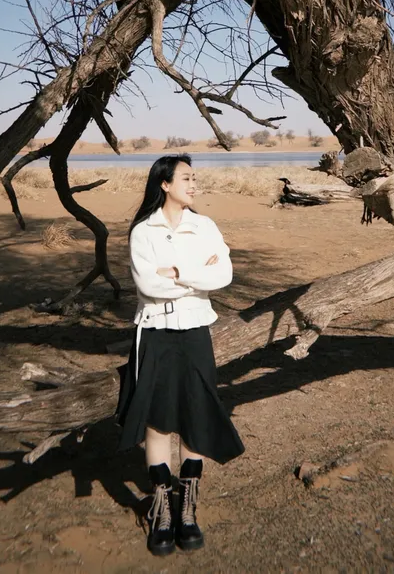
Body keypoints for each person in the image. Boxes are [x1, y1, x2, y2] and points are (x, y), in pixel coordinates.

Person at [116, 154, 244, 556]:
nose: (195, 183)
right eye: (187, 177)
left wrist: (177, 272)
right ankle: (162, 508)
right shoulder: (143, 231)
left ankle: (186, 506)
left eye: (195, 177)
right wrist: (194, 272)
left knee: (195, 413)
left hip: (195, 331)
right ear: (165, 184)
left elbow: (223, 275)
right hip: (154, 332)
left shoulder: (204, 226)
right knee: (157, 420)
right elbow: (150, 286)